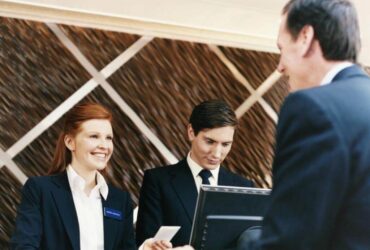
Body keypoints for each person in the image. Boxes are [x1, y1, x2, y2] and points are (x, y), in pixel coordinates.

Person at [241, 0, 370, 249]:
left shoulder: (311, 108)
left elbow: (289, 241)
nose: (279, 67)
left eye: (281, 48)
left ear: (305, 37)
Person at [11, 103, 172, 250]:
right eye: (94, 136)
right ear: (70, 142)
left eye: (108, 138)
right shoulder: (40, 190)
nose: (104, 145)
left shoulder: (119, 201)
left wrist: (145, 249)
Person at [136, 100, 254, 247]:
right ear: (191, 132)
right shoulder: (158, 181)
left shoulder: (244, 187)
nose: (217, 154)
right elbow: (145, 243)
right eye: (210, 141)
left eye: (225, 144)